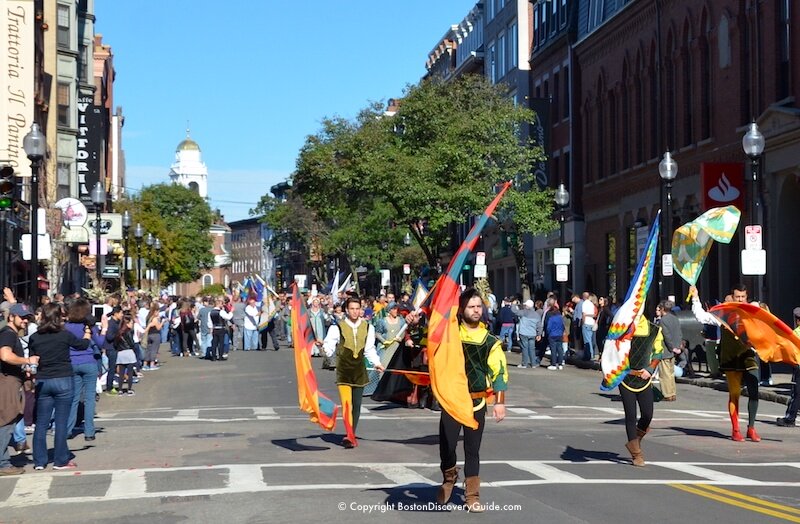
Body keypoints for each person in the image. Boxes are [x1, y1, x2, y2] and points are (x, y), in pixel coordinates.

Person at [437, 288, 507, 513]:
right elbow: (428, 340)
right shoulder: (450, 335)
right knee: (447, 445)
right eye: (471, 307)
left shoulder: (490, 341)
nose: (476, 310)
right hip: (451, 399)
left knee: (472, 449)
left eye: (479, 306)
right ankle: (449, 476)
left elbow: (500, 372)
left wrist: (499, 402)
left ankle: (472, 496)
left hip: (476, 401)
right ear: (462, 310)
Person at [690, 284, 761, 442]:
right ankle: (736, 429)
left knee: (754, 391)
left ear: (746, 297)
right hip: (730, 358)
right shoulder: (723, 313)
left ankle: (751, 428)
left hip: (748, 356)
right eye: (737, 297)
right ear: (732, 296)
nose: (740, 299)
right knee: (734, 394)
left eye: (743, 297)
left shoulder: (752, 312)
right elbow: (702, 317)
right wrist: (695, 297)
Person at [29, 303, 92, 470]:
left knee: (41, 423)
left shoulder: (35, 337)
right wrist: (87, 334)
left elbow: (32, 358)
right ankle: (60, 459)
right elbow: (83, 345)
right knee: (61, 422)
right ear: (58, 317)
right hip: (63, 377)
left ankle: (39, 461)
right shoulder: (64, 335)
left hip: (43, 380)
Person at [322, 297, 384, 448]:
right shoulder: (337, 327)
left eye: (358, 308)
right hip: (344, 371)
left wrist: (377, 363)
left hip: (359, 371)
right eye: (352, 309)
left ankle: (352, 432)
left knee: (357, 405)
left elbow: (369, 349)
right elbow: (329, 348)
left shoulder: (368, 328)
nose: (355, 311)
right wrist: (322, 348)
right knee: (347, 404)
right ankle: (349, 436)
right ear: (347, 310)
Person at [618, 314, 666, 466]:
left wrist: (651, 368)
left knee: (647, 414)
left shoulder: (654, 329)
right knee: (630, 415)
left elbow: (658, 351)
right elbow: (611, 350)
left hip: (645, 377)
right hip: (625, 377)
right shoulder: (621, 328)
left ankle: (636, 440)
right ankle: (636, 453)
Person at [0, 304, 39, 476]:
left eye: (27, 318)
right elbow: (5, 355)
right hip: (7, 382)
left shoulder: (11, 334)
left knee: (10, 421)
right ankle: (3, 463)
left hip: (12, 380)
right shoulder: (8, 334)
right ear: (11, 317)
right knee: (6, 421)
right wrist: (26, 360)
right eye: (22, 317)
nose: (25, 321)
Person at [63, 298, 105, 441]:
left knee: (74, 397)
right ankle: (89, 431)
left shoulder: (66, 327)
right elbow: (100, 343)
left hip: (72, 362)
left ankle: (68, 429)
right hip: (89, 361)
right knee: (89, 397)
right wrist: (103, 329)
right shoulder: (89, 327)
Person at [777, 307, 800, 428]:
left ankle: (790, 418)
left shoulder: (795, 333)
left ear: (797, 321)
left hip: (798, 366)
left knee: (796, 394)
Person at [655, 300, 682, 401]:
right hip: (674, 349)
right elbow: (679, 333)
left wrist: (671, 347)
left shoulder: (663, 320)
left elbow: (666, 336)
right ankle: (672, 392)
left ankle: (667, 394)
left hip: (666, 350)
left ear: (662, 309)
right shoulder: (675, 318)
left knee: (664, 374)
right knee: (670, 373)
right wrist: (677, 347)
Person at [512, 299, 542, 368]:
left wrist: (513, 304)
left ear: (527, 306)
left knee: (524, 348)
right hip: (532, 334)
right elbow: (539, 325)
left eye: (525, 305)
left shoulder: (524, 312)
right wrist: (539, 334)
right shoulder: (536, 314)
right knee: (532, 349)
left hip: (524, 333)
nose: (524, 306)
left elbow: (514, 311)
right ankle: (533, 364)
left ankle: (524, 363)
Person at [114, 314, 138, 396]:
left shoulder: (118, 332)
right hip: (129, 352)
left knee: (121, 372)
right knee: (130, 372)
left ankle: (120, 390)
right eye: (131, 323)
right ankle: (129, 389)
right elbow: (132, 343)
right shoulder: (129, 332)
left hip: (120, 353)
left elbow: (115, 344)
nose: (132, 325)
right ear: (127, 323)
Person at [207, 297, 233, 361]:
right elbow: (228, 317)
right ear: (218, 304)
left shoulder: (210, 312)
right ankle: (220, 356)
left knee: (214, 343)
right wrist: (231, 312)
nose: (222, 305)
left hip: (215, 328)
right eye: (221, 304)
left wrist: (210, 328)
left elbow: (209, 322)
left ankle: (213, 357)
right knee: (221, 343)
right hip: (221, 328)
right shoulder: (221, 312)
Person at [544, 297, 565, 370]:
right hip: (559, 334)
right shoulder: (560, 317)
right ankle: (560, 363)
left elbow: (548, 327)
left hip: (552, 334)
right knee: (560, 349)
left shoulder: (550, 317)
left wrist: (548, 333)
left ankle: (553, 364)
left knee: (553, 350)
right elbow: (563, 326)